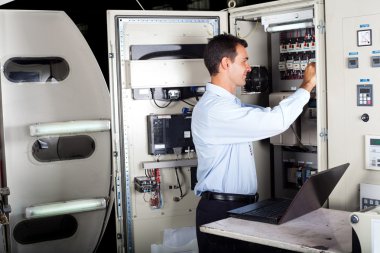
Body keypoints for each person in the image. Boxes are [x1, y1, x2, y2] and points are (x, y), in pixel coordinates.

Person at [191, 34, 316, 253]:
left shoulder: (229, 106)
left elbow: (268, 115)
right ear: (225, 63)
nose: (249, 67)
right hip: (221, 211)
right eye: (244, 61)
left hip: (240, 208)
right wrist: (307, 84)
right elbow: (275, 121)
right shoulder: (215, 110)